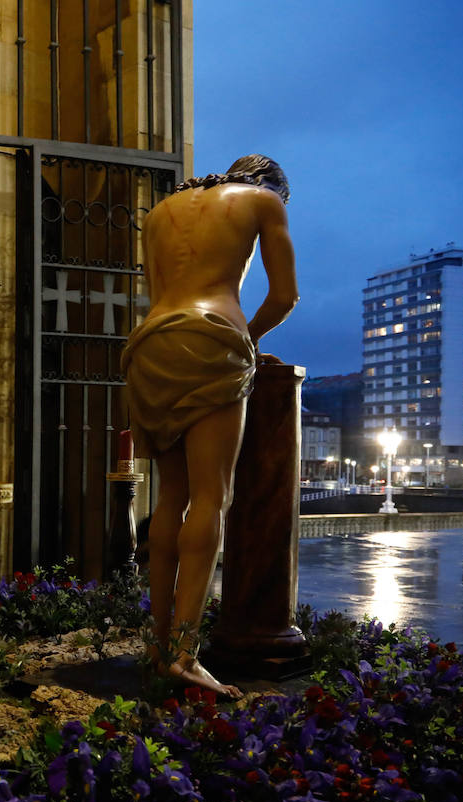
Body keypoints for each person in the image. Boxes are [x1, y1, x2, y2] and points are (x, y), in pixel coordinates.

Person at [120, 154, 298, 699]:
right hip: (213, 336)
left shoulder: (160, 210)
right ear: (272, 186)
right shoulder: (264, 202)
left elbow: (157, 289)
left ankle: (157, 644)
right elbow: (284, 296)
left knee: (170, 497)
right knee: (211, 498)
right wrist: (249, 339)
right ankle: (185, 656)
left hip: (149, 342)